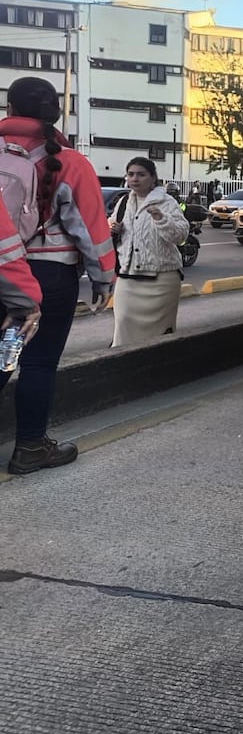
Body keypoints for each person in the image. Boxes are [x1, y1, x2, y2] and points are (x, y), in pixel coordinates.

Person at [1, 77, 116, 474]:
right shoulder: (70, 161)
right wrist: (105, 279)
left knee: (2, 360)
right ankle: (31, 448)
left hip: (3, 271)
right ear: (55, 113)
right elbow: (91, 229)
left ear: (11, 107)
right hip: (49, 276)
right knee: (37, 363)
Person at [109, 157, 188, 347]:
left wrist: (160, 218)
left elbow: (180, 235)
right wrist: (112, 228)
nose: (135, 179)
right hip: (128, 278)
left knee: (159, 337)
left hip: (161, 281)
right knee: (123, 326)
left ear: (153, 178)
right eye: (131, 174)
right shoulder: (123, 202)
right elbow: (111, 226)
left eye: (141, 174)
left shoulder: (166, 202)